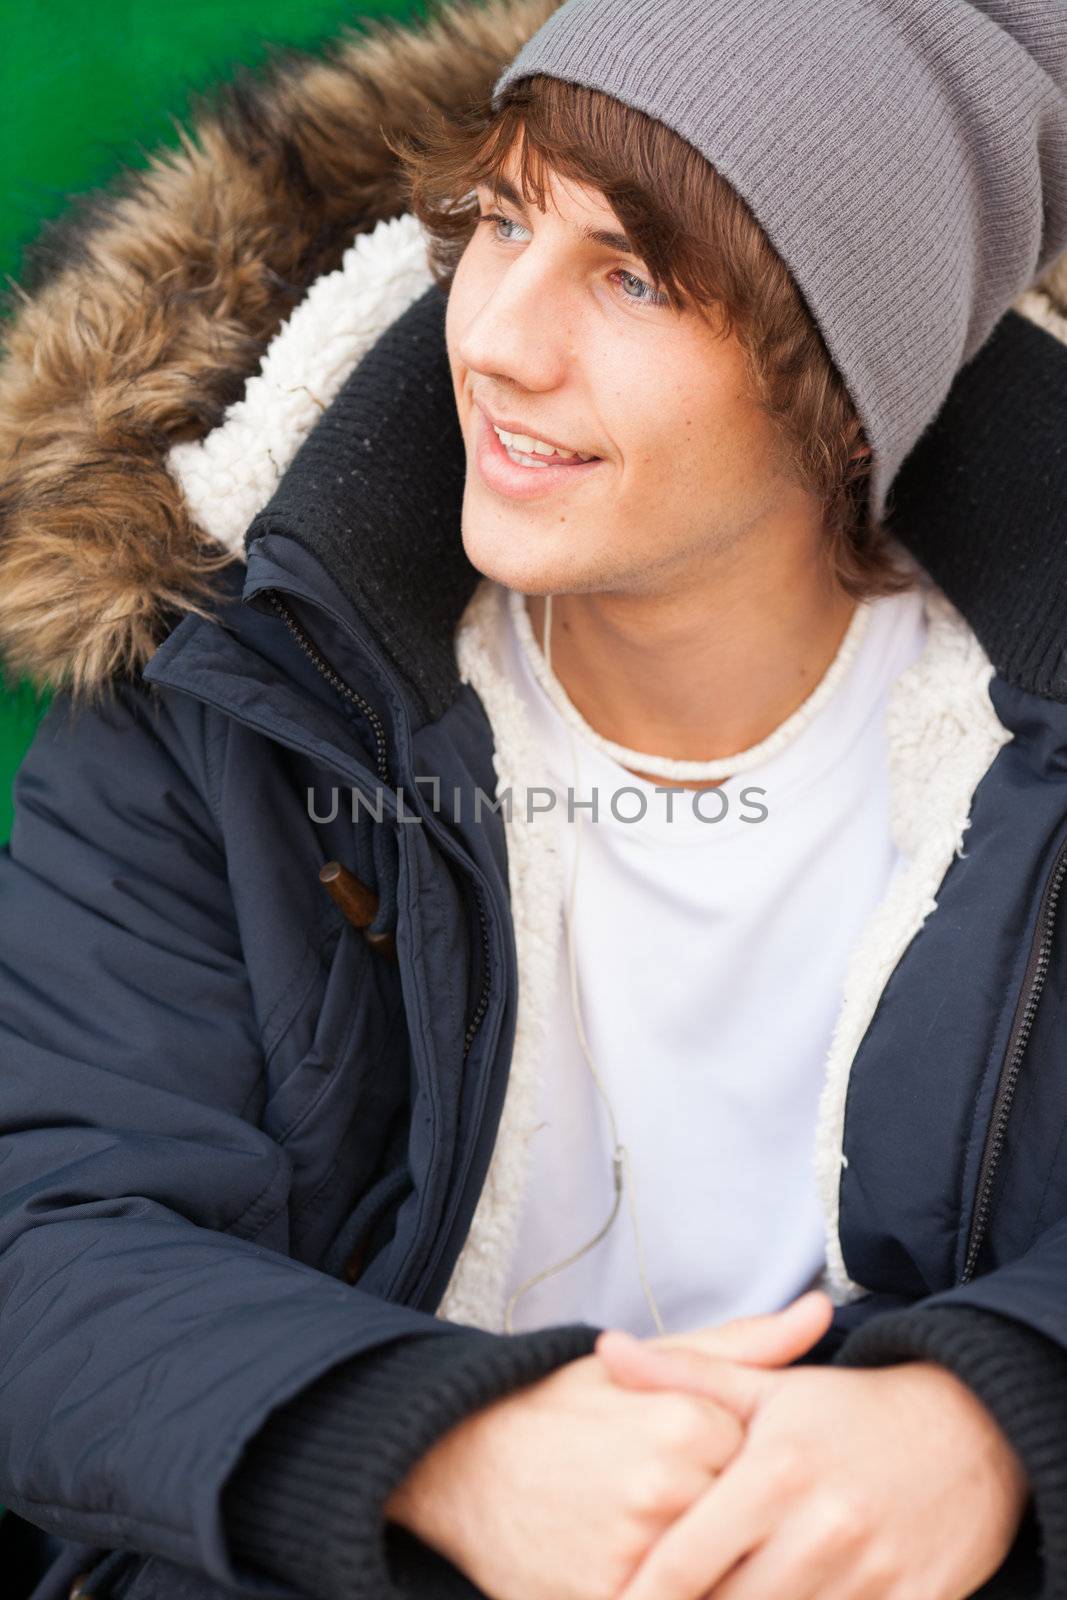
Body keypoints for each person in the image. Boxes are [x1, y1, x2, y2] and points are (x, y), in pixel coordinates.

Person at [2, 0, 1067, 1597]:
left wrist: (995, 1413)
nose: (496, 334)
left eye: (632, 276)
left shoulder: (1028, 723)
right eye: (500, 219)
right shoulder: (230, 681)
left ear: (850, 389)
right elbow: (43, 1232)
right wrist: (443, 1445)